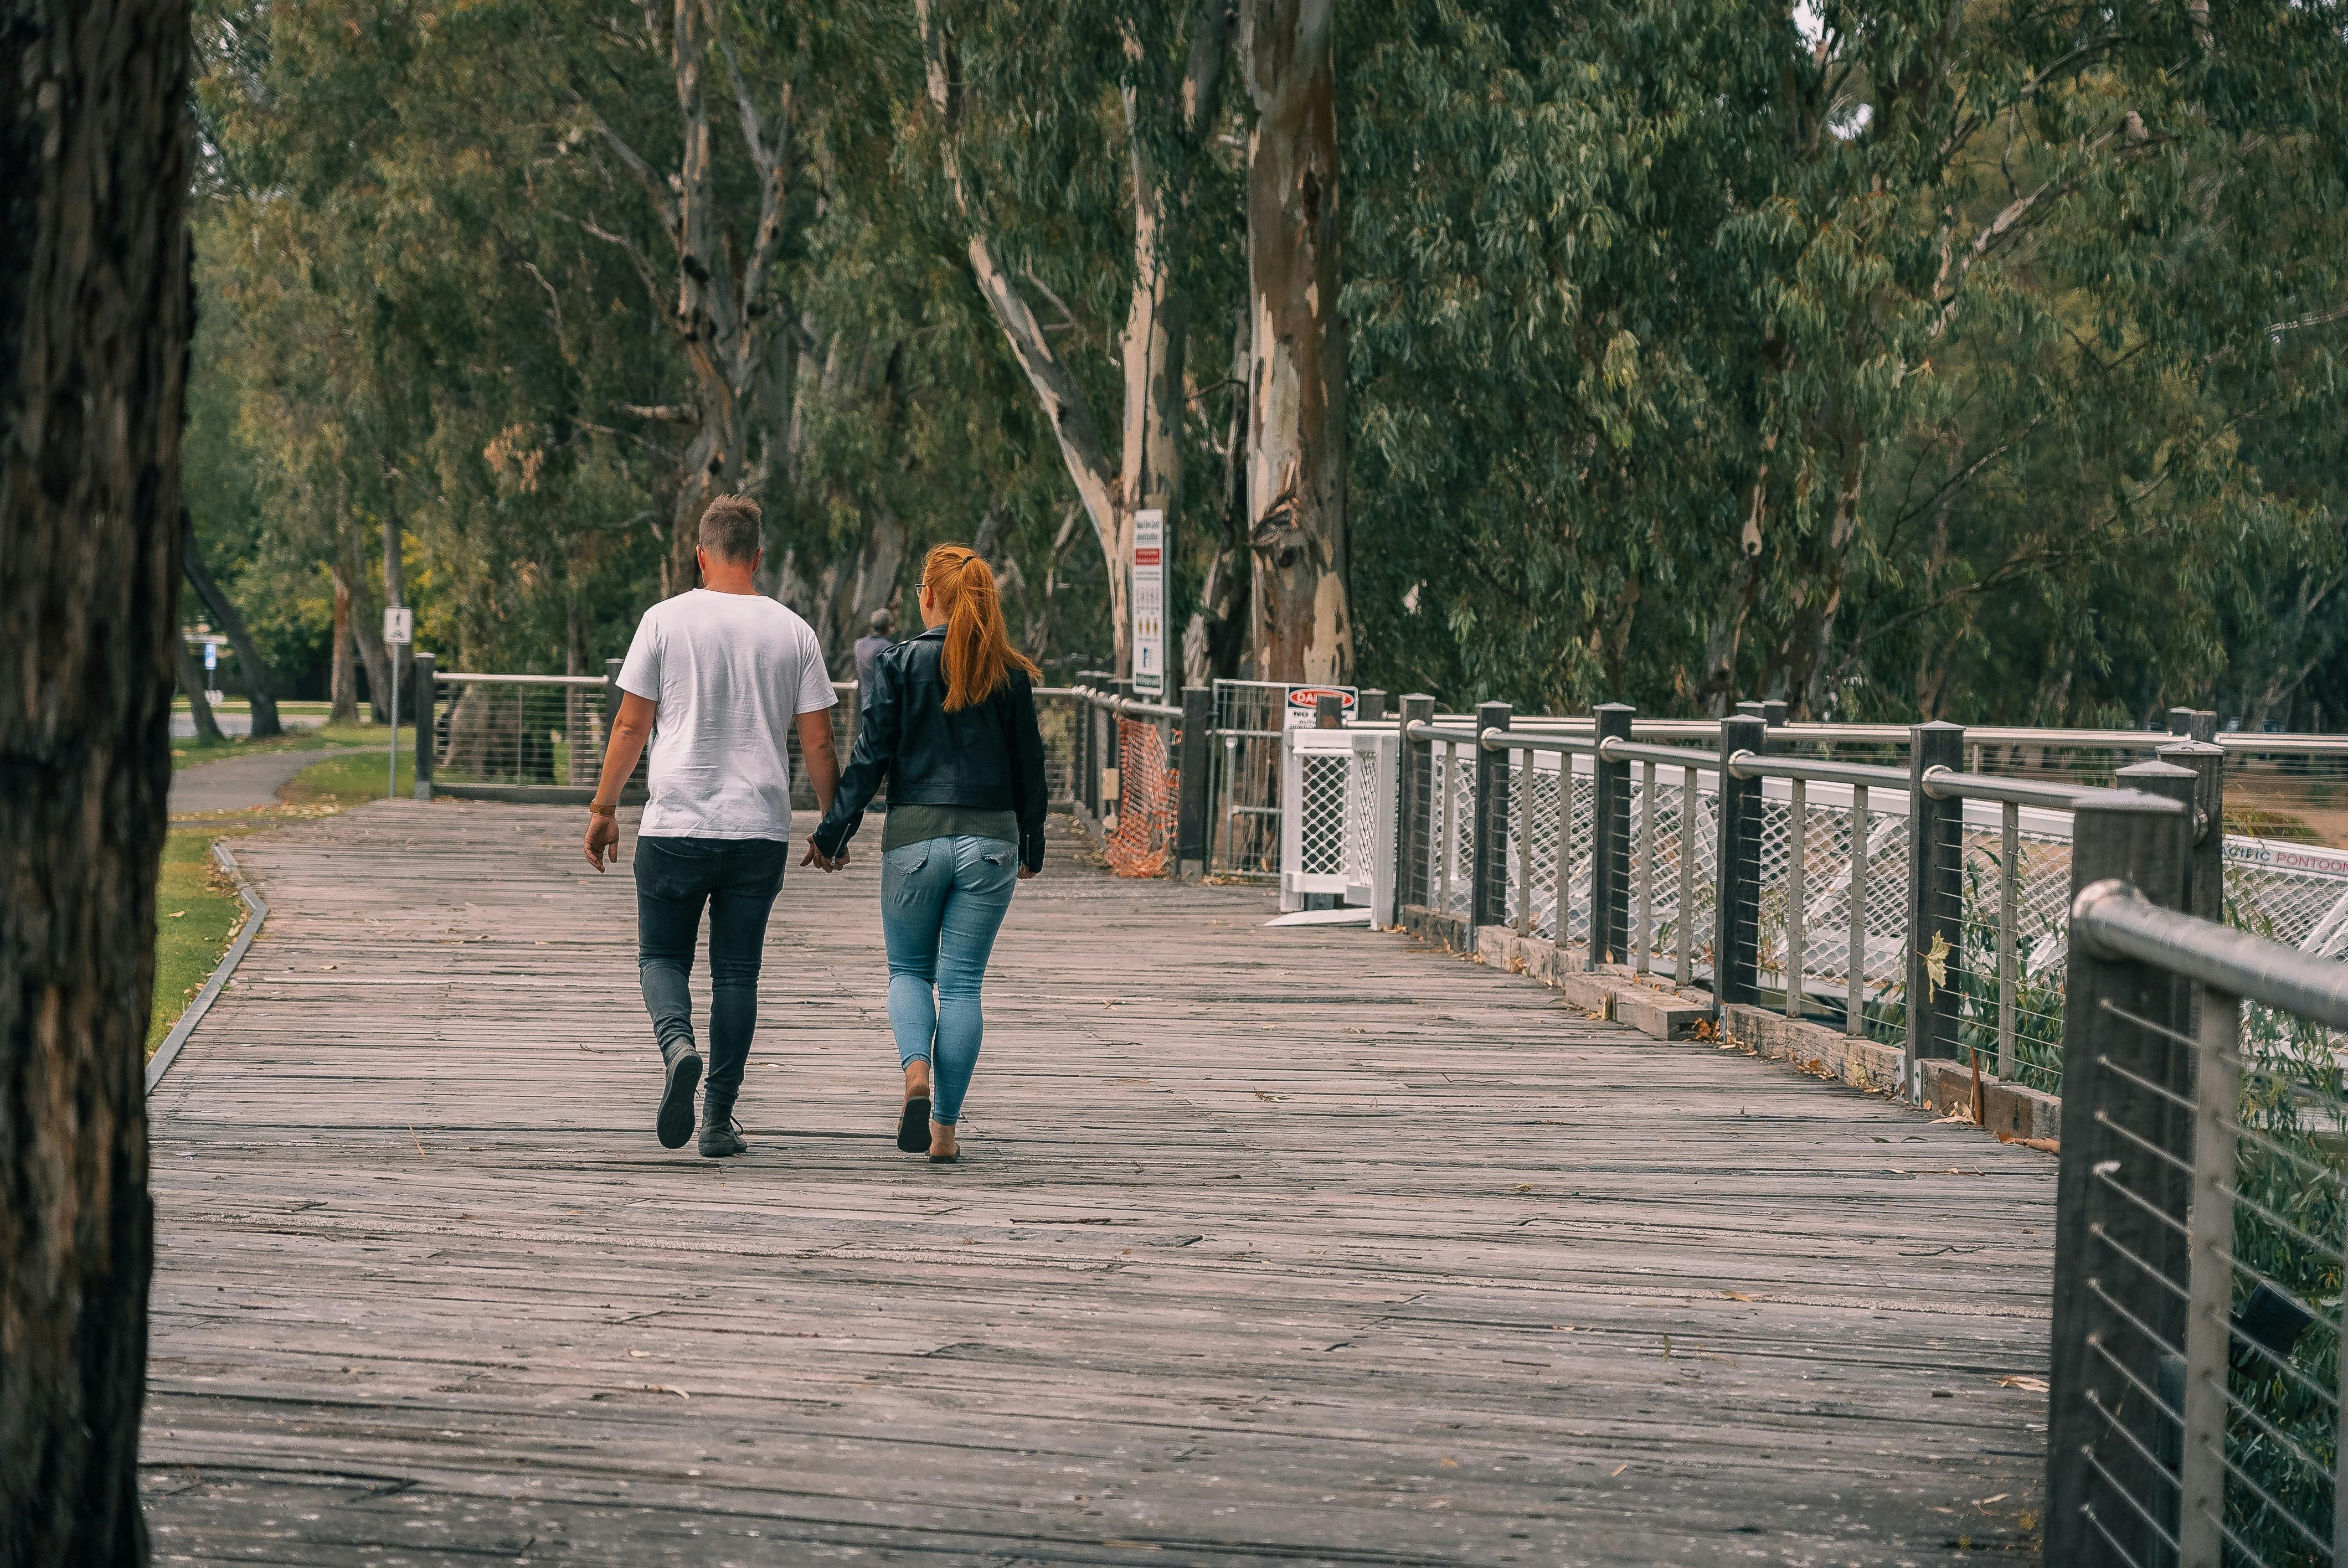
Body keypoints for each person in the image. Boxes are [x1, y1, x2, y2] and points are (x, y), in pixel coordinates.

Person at [583, 494, 843, 1158]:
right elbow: (819, 744)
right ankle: (719, 1120)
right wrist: (833, 824)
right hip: (757, 831)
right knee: (736, 975)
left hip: (676, 824)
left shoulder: (664, 621)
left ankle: (677, 1047)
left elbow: (631, 724)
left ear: (699, 554)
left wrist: (604, 809)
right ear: (759, 557)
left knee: (661, 958)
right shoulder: (794, 632)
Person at [809, 545, 1046, 1164]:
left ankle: (915, 1072)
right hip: (992, 840)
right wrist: (1033, 839)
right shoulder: (1010, 672)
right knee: (962, 986)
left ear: (929, 596)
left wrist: (832, 834)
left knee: (908, 973)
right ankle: (944, 1132)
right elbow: (1030, 764)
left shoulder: (898, 662)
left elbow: (870, 759)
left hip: (913, 838)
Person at [851, 607, 896, 814]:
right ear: (889, 627)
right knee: (888, 752)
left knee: (868, 753)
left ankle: (867, 798)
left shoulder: (858, 645)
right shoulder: (889, 649)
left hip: (864, 705)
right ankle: (886, 797)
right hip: (883, 707)